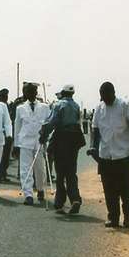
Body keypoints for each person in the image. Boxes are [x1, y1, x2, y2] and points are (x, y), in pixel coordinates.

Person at [91, 82, 129, 228]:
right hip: (105, 155)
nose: (104, 99)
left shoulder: (125, 106)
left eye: (106, 95)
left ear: (113, 93)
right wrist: (93, 147)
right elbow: (95, 129)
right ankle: (113, 217)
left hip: (123, 155)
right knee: (108, 189)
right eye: (102, 96)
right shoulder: (99, 108)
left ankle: (127, 217)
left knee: (125, 188)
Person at [41, 84, 84, 214]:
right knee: (71, 171)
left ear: (63, 93)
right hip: (74, 139)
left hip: (61, 139)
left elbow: (52, 122)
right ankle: (75, 198)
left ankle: (59, 203)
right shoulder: (76, 106)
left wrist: (43, 134)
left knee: (60, 172)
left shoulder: (59, 105)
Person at [14, 82, 51, 206]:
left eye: (32, 91)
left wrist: (46, 138)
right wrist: (16, 145)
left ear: (36, 92)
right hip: (25, 142)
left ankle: (40, 189)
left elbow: (49, 124)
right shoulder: (20, 108)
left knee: (40, 168)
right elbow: (17, 127)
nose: (29, 94)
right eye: (27, 91)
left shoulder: (44, 107)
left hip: (39, 141)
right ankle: (28, 194)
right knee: (25, 169)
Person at [0, 88, 14, 182]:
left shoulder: (6, 105)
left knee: (6, 156)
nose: (6, 97)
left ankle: (3, 173)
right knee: (1, 156)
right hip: (1, 134)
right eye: (4, 96)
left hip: (7, 134)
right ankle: (0, 175)